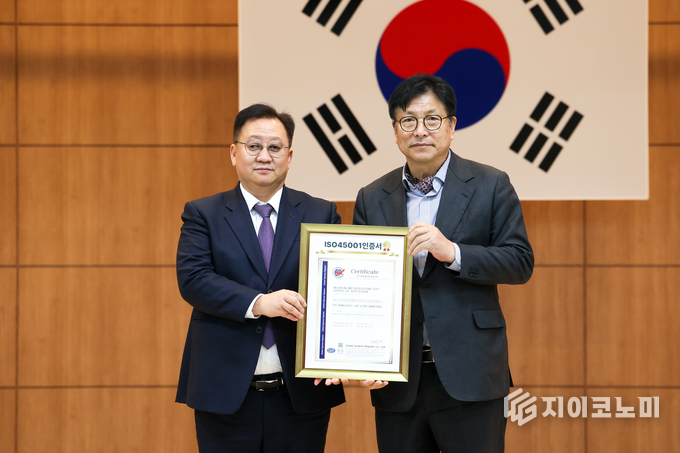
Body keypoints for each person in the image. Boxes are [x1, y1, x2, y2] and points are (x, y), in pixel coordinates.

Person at [352, 74, 534, 452]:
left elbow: (519, 262)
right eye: (408, 120)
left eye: (432, 119)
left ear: (451, 126)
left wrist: (453, 252)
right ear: (395, 131)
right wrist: (364, 359)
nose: (420, 130)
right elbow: (361, 287)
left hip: (471, 373)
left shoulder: (491, 184)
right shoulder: (371, 197)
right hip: (398, 379)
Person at [175, 103, 345, 453]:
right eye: (253, 146)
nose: (264, 156)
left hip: (300, 396)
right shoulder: (203, 213)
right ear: (234, 153)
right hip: (224, 395)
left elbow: (338, 291)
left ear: (289, 156)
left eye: (275, 147)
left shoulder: (321, 213)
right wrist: (259, 303)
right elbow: (194, 279)